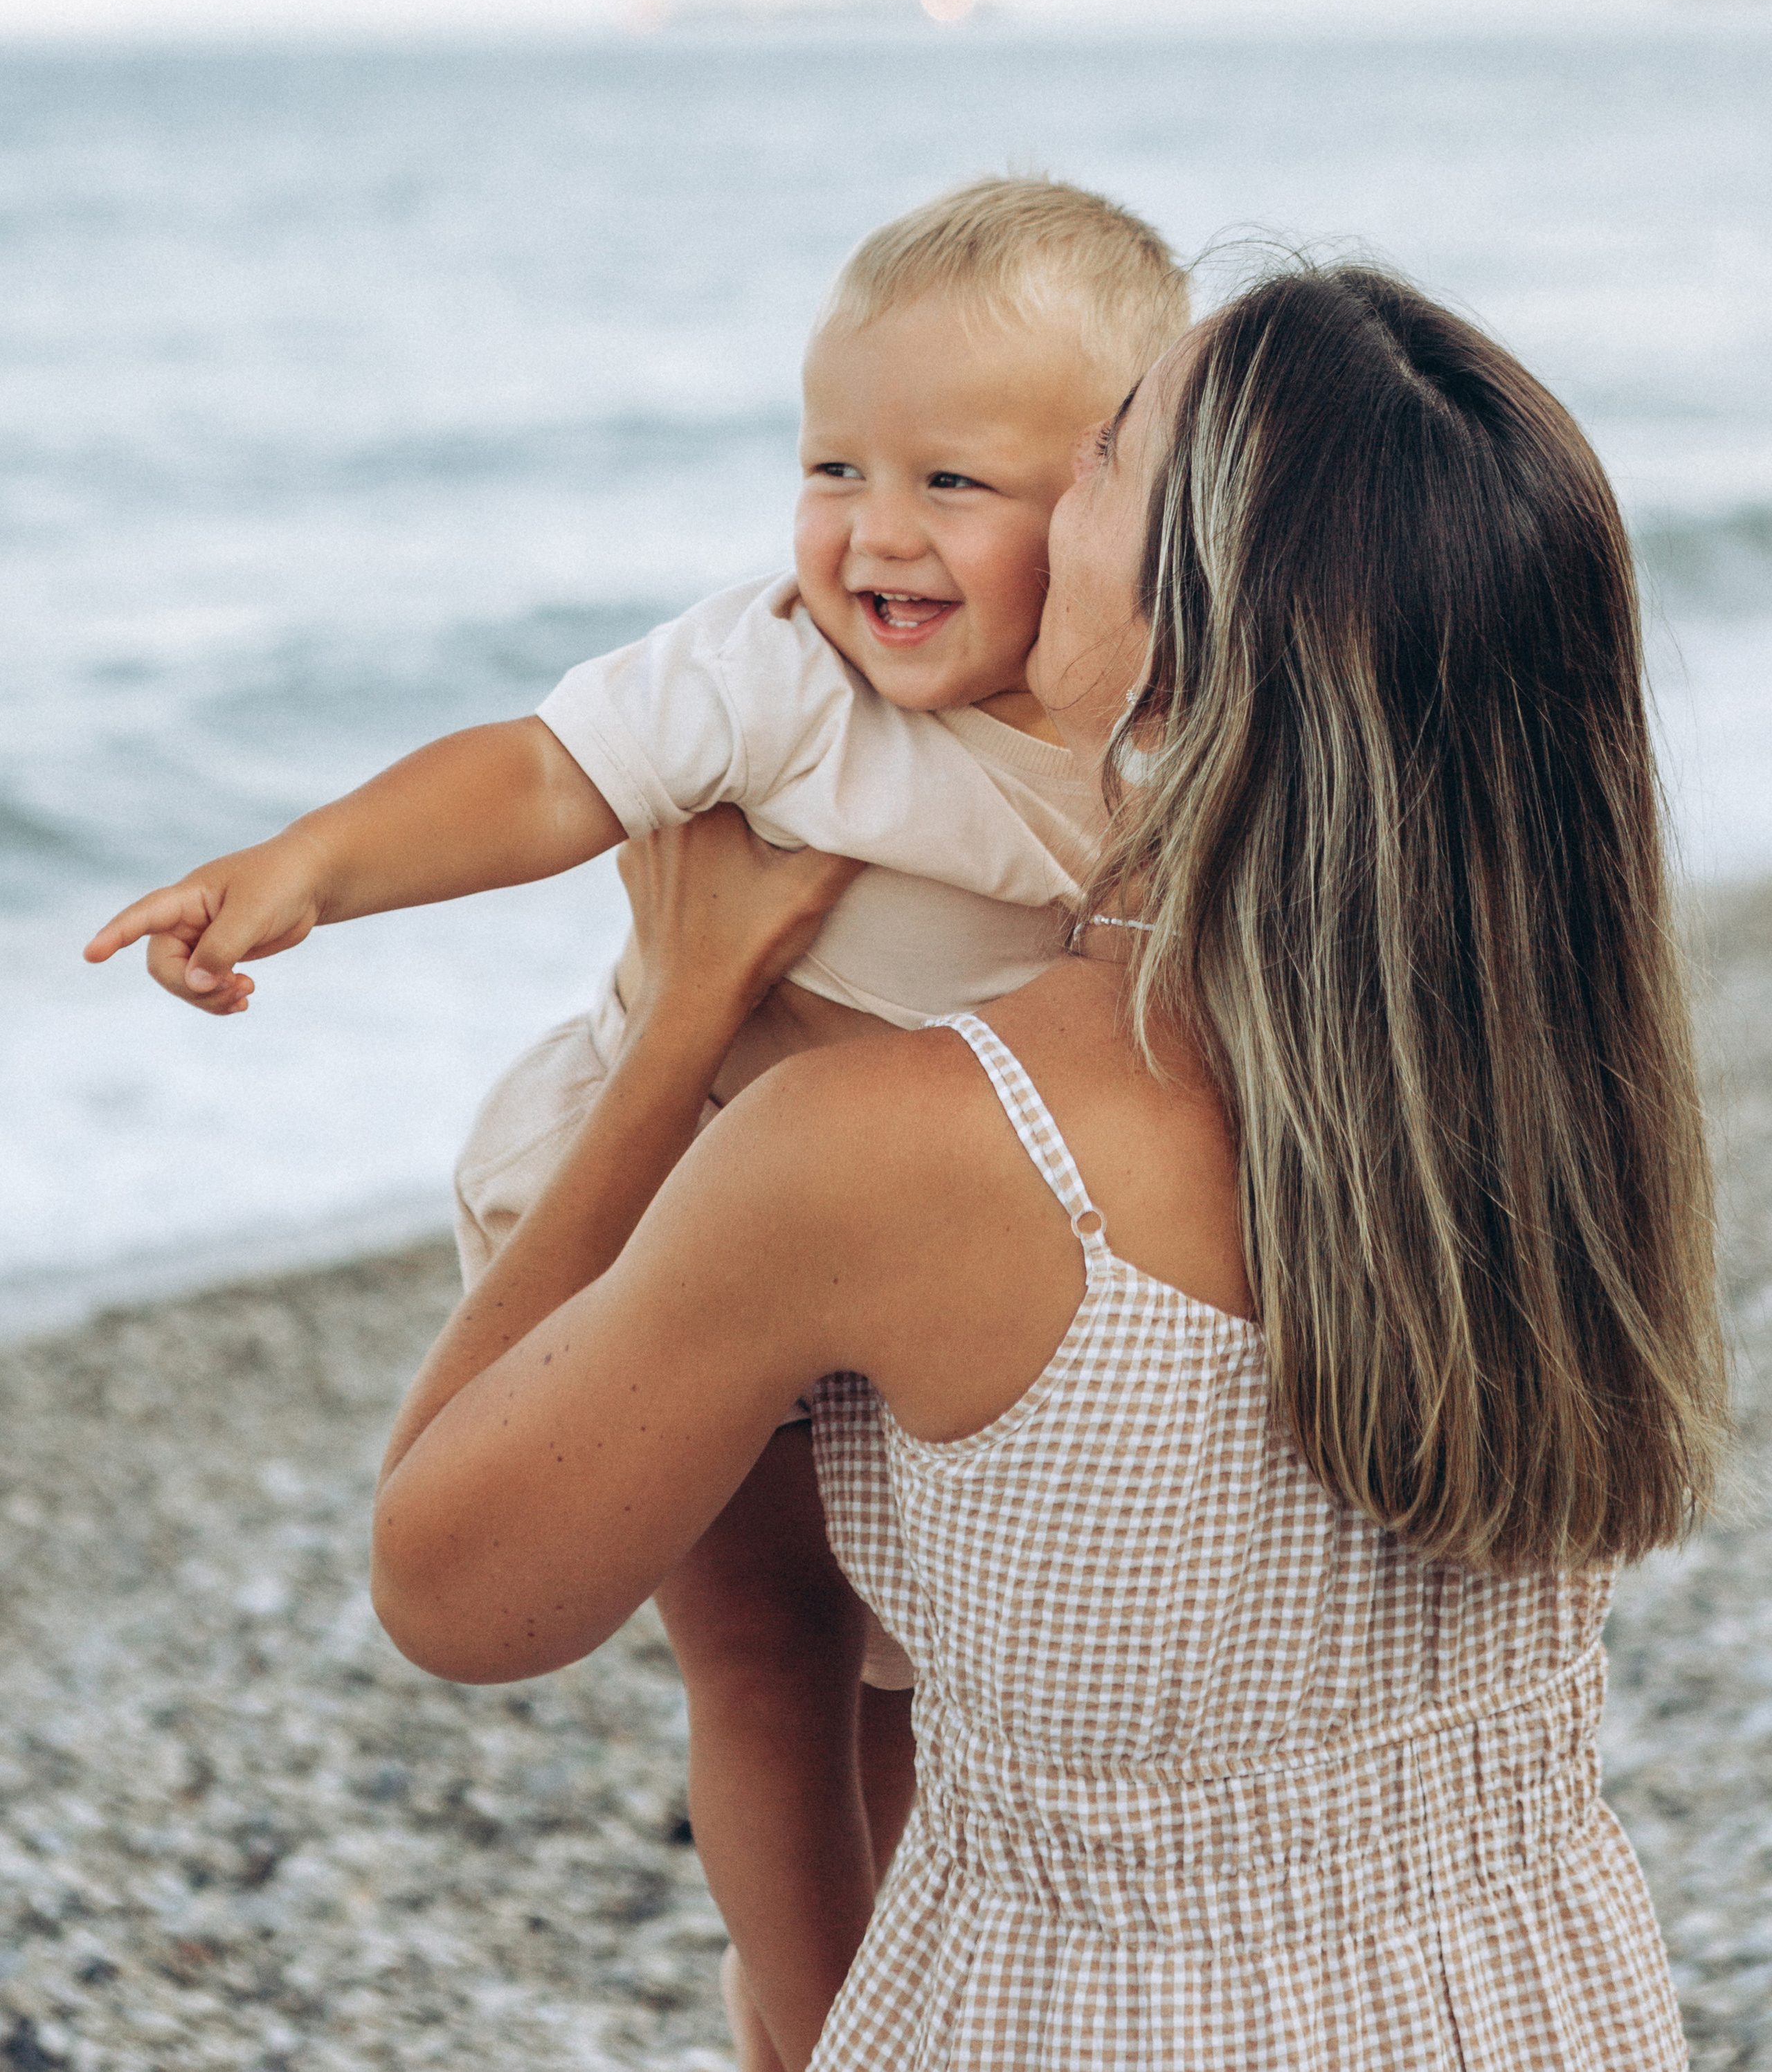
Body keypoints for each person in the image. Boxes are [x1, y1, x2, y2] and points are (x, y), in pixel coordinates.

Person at [372, 262, 1723, 2071]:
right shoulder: (1560, 1086)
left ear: (1177, 640)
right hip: (1540, 1996)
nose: (1032, 495)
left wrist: (682, 1016)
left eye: (1100, 457)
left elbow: (451, 1586)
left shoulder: (904, 1148)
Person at [82, 174, 1193, 2068]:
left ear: (1121, 504)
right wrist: (313, 869)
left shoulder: (1165, 730)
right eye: (834, 462)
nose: (872, 531)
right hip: (667, 1217)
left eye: (952, 481)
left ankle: (909, 2009)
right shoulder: (778, 671)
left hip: (930, 1265)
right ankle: (810, 2018)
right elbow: (539, 771)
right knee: (762, 1656)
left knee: (922, 1680)